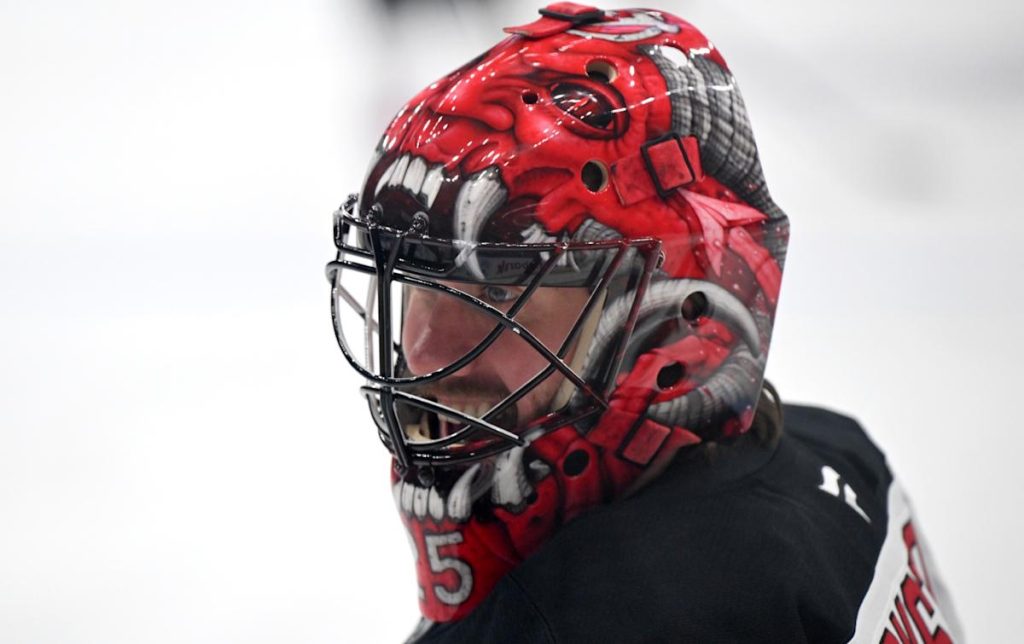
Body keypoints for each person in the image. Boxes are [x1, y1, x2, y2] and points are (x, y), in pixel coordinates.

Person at [325, 4, 963, 642]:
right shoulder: (840, 455)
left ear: (678, 307)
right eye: (414, 281)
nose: (423, 350)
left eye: (494, 286)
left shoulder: (586, 619)